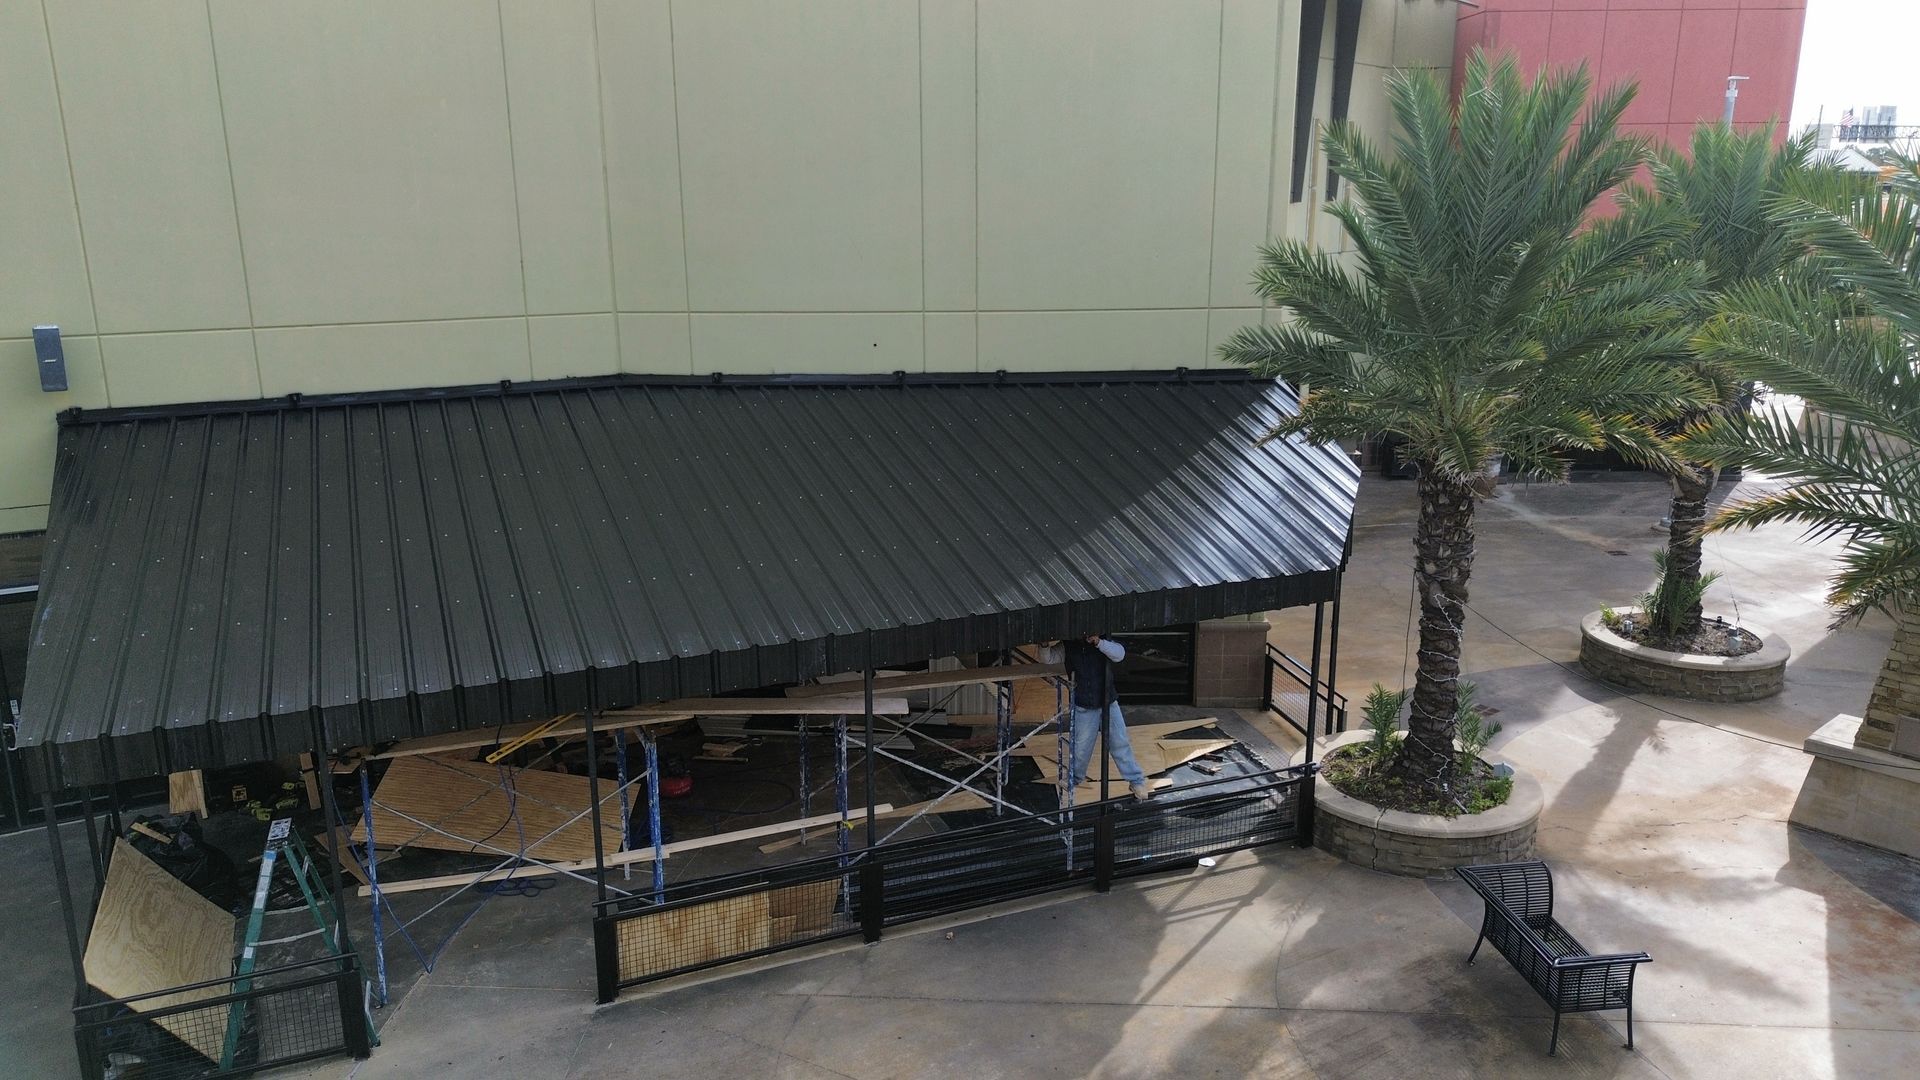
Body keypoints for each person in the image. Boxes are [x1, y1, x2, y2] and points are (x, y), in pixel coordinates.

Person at [1041, 634, 1152, 800]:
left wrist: (1100, 643)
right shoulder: (1068, 644)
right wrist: (1043, 645)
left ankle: (1136, 781)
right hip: (1084, 703)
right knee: (1081, 747)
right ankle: (1074, 778)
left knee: (1119, 742)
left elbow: (1119, 654)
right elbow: (1048, 658)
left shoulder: (1103, 640)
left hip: (1108, 702)